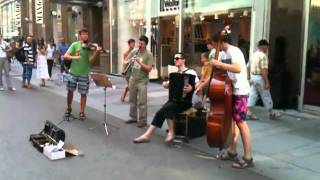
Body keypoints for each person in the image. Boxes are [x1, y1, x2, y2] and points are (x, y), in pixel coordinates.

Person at [209, 31, 254, 169]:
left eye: (215, 44)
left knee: (241, 122)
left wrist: (220, 65)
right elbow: (225, 73)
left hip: (241, 91)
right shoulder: (222, 54)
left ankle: (248, 157)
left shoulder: (234, 51)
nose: (213, 47)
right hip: (232, 90)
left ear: (220, 42)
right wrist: (225, 80)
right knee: (233, 121)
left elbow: (237, 68)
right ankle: (232, 151)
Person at [133, 53, 199, 143]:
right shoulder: (174, 74)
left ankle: (168, 132)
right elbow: (167, 85)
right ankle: (148, 135)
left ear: (183, 60)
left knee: (165, 108)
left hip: (185, 102)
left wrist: (192, 88)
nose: (175, 60)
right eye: (174, 58)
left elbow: (198, 84)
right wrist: (165, 84)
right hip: (174, 101)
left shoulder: (190, 72)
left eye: (177, 58)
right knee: (161, 111)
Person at [63, 28, 102, 120]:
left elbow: (90, 61)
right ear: (80, 35)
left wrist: (96, 52)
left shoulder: (89, 47)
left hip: (84, 73)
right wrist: (75, 57)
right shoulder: (75, 45)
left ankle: (82, 111)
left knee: (83, 93)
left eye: (87, 34)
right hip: (73, 72)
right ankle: (69, 108)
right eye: (83, 34)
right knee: (70, 91)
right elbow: (65, 56)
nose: (85, 36)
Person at [247, 40, 281, 120]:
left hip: (253, 77)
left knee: (252, 94)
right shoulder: (263, 56)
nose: (267, 49)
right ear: (263, 46)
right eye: (267, 47)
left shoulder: (253, 55)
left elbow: (247, 67)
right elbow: (264, 70)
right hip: (260, 78)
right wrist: (267, 82)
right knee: (266, 94)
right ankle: (271, 112)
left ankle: (248, 111)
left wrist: (248, 77)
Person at [125, 35, 153, 128]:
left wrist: (139, 62)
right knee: (132, 99)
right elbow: (125, 61)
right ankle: (133, 117)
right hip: (133, 78)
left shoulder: (149, 54)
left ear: (146, 44)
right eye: (139, 43)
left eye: (142, 43)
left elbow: (149, 69)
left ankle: (142, 120)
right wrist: (130, 60)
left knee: (142, 101)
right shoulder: (134, 51)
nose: (140, 45)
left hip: (142, 80)